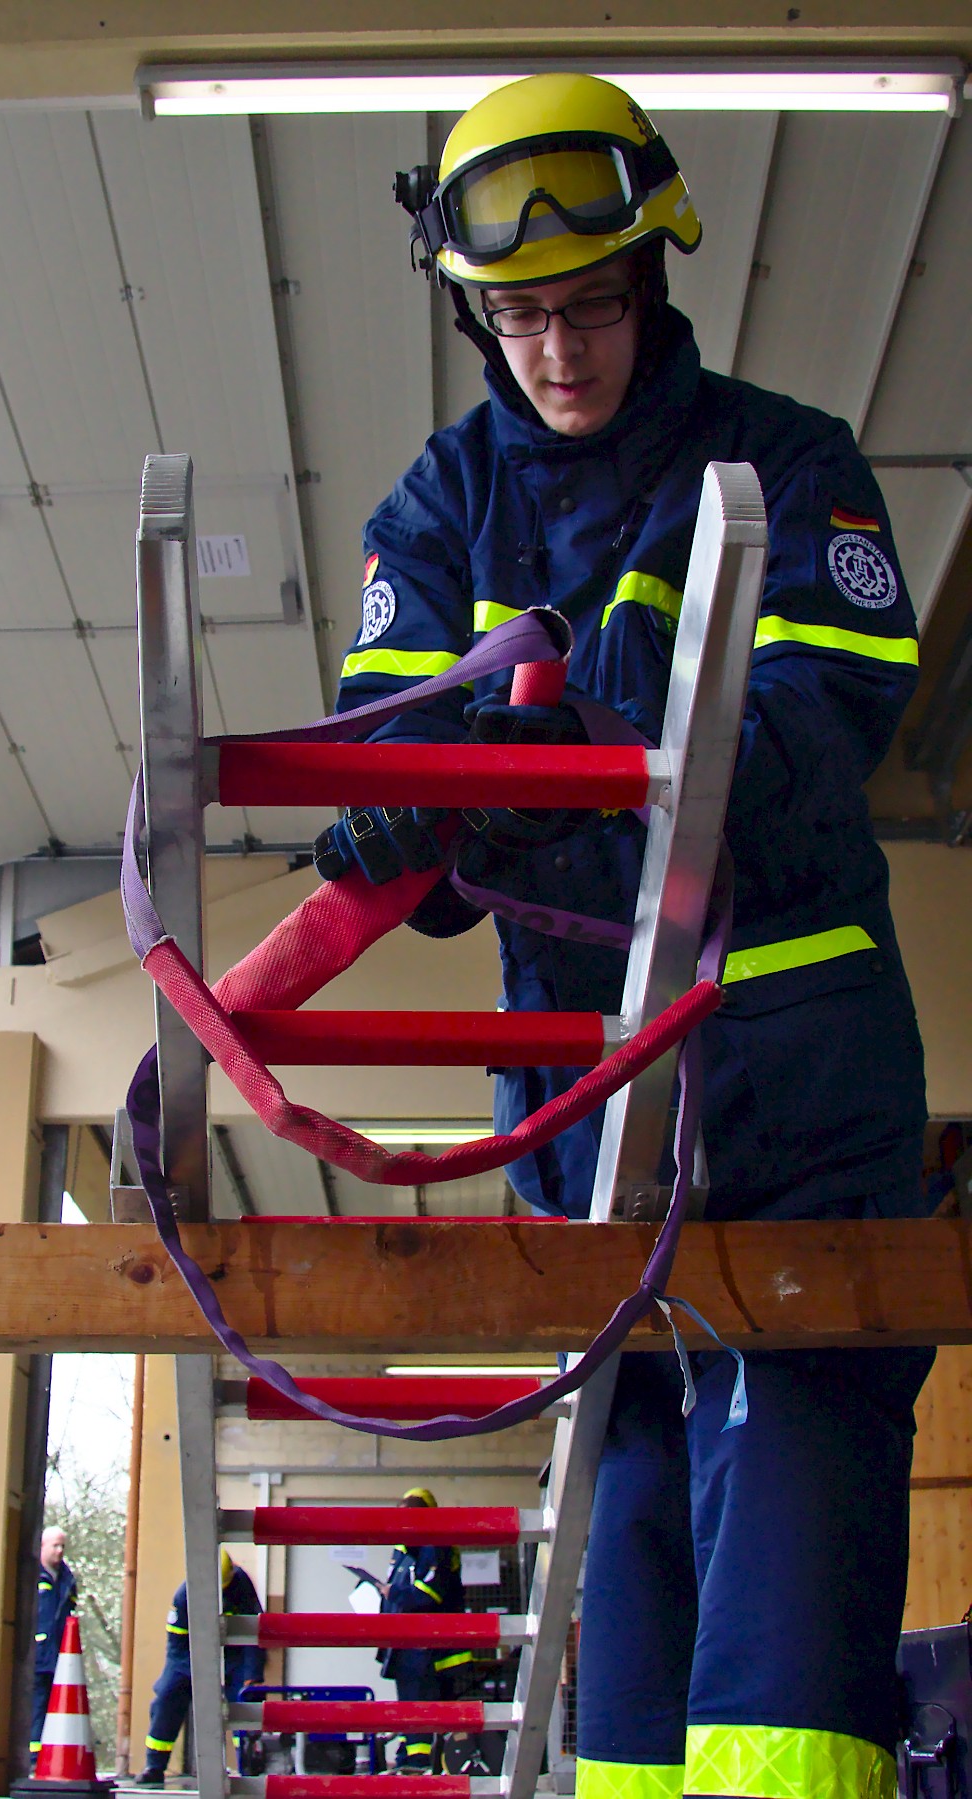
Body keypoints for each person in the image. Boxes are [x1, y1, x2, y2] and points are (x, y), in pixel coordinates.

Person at [315, 72, 935, 1799]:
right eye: (516, 314)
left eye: (587, 304)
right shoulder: (436, 515)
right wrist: (408, 813)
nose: (557, 350)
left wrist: (567, 762)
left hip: (801, 1115)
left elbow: (813, 752)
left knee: (792, 1603)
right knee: (634, 1547)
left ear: (655, 276)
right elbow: (403, 788)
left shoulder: (793, 468)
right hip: (590, 1138)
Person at [134, 1549, 265, 1785]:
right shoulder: (184, 1596)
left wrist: (251, 1675)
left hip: (234, 1659)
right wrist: (201, 1677)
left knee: (246, 1701)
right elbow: (177, 1648)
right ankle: (154, 1767)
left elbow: (255, 1636)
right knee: (167, 1697)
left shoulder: (241, 1584)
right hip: (189, 1660)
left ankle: (249, 1765)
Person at [374, 1488, 469, 1773]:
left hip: (426, 1649)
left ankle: (420, 1768)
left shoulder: (436, 1543)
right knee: (411, 1710)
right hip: (407, 1648)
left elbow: (427, 1593)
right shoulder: (405, 1549)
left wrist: (394, 1593)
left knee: (422, 1707)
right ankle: (411, 1761)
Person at [31, 1525, 77, 1757]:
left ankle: (45, 1756)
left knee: (53, 1706)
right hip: (39, 1657)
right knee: (37, 1705)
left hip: (58, 1656)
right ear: (42, 1546)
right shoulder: (33, 1577)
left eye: (62, 1546)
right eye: (55, 1546)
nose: (59, 1551)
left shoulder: (67, 1581)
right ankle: (33, 1756)